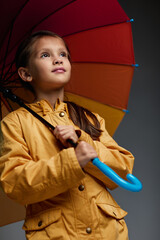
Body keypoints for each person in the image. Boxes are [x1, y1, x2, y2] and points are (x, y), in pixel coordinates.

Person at [0, 30, 134, 240]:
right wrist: (72, 162)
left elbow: (123, 171)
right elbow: (15, 182)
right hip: (57, 234)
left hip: (109, 232)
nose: (57, 59)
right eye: (45, 55)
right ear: (26, 74)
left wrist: (86, 143)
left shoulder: (89, 119)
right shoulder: (15, 123)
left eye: (63, 54)